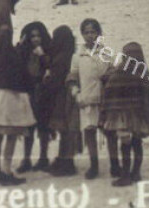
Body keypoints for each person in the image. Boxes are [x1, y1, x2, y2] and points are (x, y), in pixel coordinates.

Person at [0, 19, 34, 185]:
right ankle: (6, 170)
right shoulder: (12, 55)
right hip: (10, 100)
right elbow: (22, 74)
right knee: (11, 136)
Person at [99, 40, 149, 187]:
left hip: (121, 115)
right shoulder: (145, 74)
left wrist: (105, 113)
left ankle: (125, 175)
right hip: (138, 116)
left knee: (125, 144)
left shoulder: (119, 72)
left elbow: (109, 91)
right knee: (137, 143)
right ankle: (136, 173)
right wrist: (147, 114)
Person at [42, 25, 81, 176]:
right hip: (69, 96)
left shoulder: (60, 58)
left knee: (64, 129)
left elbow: (55, 81)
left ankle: (67, 162)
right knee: (66, 129)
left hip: (62, 98)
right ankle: (64, 159)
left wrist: (47, 80)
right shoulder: (71, 55)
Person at [73, 18, 109, 179]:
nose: (90, 35)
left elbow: (110, 74)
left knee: (109, 131)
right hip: (86, 99)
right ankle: (93, 165)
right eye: (86, 32)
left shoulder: (105, 53)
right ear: (82, 34)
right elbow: (72, 77)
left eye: (93, 32)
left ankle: (115, 164)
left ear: (98, 34)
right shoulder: (78, 55)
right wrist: (76, 93)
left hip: (103, 99)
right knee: (89, 131)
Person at [16, 21, 52, 173]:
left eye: (38, 36)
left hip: (43, 91)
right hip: (29, 91)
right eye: (32, 37)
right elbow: (14, 61)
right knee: (28, 127)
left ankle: (43, 158)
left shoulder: (48, 50)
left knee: (43, 126)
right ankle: (26, 158)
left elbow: (51, 66)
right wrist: (20, 44)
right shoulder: (24, 51)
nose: (36, 39)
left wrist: (42, 55)